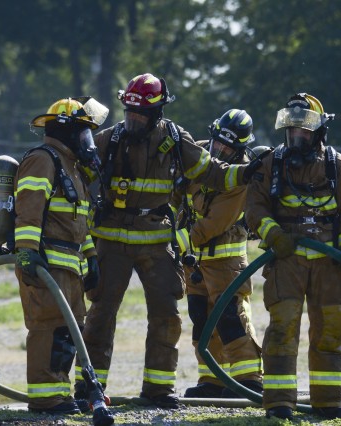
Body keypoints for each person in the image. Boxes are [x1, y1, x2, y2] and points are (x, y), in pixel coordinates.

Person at [76, 73, 261, 409]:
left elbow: (213, 172)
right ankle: (89, 387)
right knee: (101, 315)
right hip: (110, 242)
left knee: (166, 315)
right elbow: (76, 167)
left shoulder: (175, 139)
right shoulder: (110, 140)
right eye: (128, 112)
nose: (132, 119)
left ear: (157, 112)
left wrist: (246, 173)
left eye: (140, 114)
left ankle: (159, 389)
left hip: (156, 243)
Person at [244, 93, 341, 421]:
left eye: (305, 132)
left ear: (319, 133)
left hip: (329, 263)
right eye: (292, 131)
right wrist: (275, 236)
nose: (297, 138)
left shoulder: (337, 166)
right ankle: (280, 402)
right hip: (287, 260)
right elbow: (254, 207)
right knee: (282, 328)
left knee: (331, 328)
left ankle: (329, 402)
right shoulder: (271, 164)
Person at [13, 96, 108, 414]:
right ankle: (46, 399)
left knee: (68, 331)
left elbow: (79, 220)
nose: (88, 141)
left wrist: (91, 255)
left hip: (68, 267)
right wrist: (26, 253)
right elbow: (29, 210)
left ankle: (59, 395)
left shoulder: (71, 166)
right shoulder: (43, 159)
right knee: (48, 328)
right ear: (67, 131)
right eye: (84, 133)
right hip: (45, 264)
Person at [175, 109, 264, 398]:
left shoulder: (241, 174)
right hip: (195, 262)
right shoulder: (199, 154)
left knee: (230, 318)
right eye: (218, 142)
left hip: (225, 261)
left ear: (240, 147)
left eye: (229, 146)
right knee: (201, 318)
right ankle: (211, 380)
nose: (220, 150)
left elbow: (214, 222)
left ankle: (248, 379)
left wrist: (176, 242)